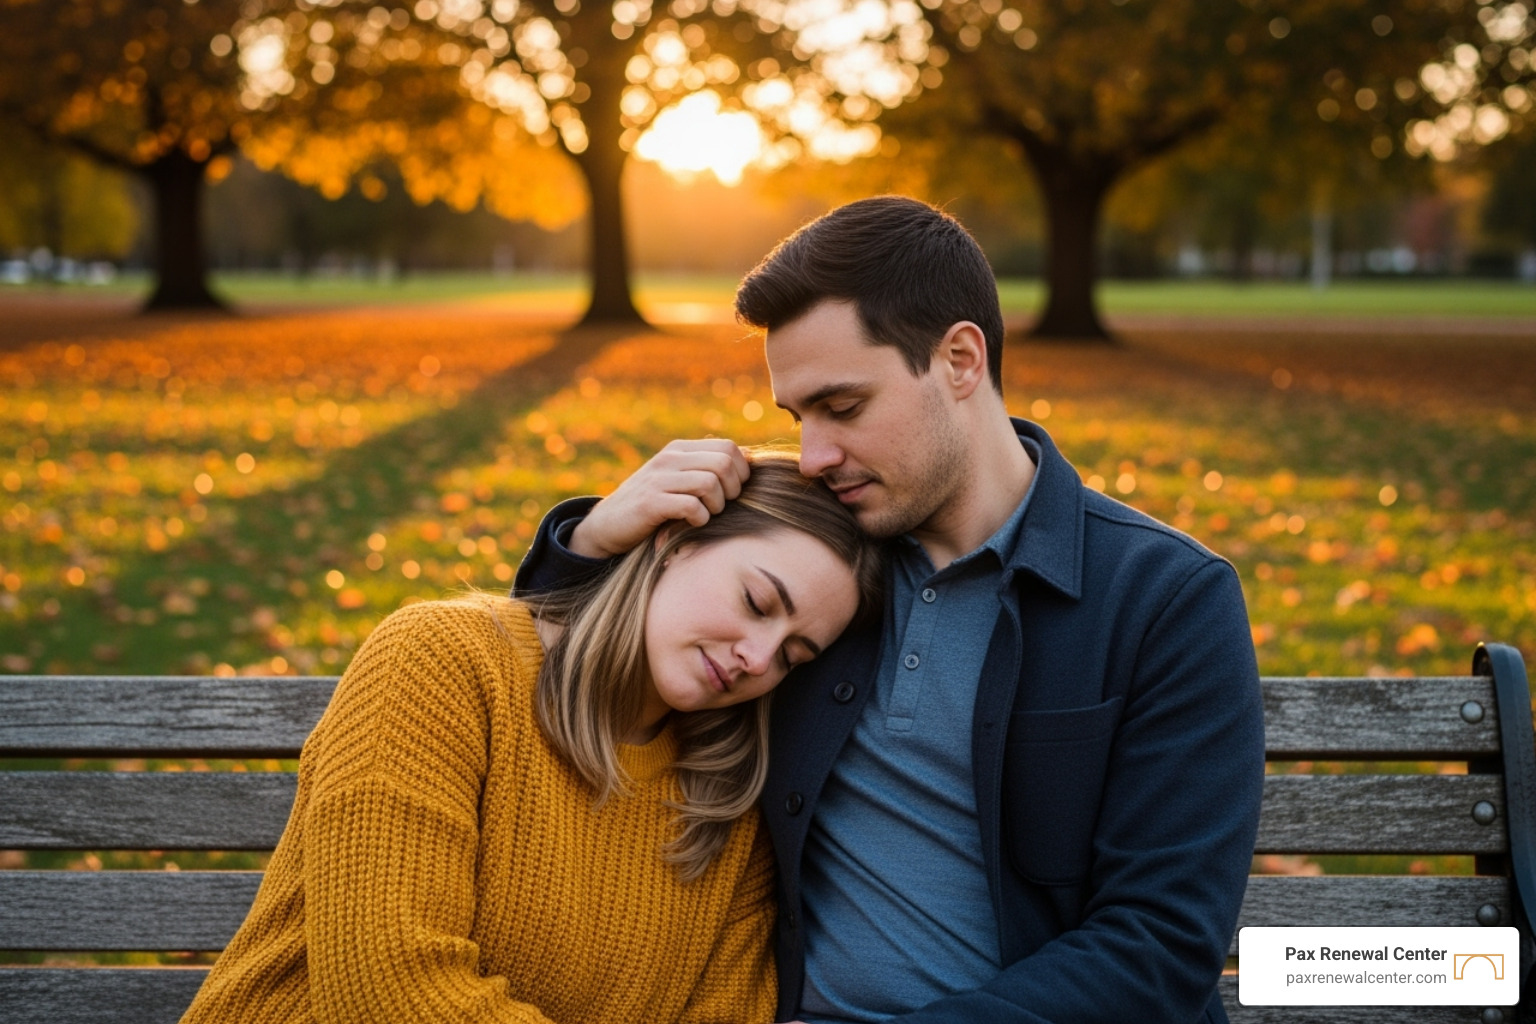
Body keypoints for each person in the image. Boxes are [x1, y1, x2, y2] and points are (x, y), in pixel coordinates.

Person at [515, 196, 1266, 1023]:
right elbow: (583, 691)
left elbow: (1160, 944)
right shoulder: (817, 581)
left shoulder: (1163, 597)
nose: (813, 455)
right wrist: (589, 541)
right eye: (797, 418)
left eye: (842, 407)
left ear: (959, 359)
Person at [179, 453, 884, 1024]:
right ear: (675, 541)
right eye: (758, 602)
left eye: (794, 655)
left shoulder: (730, 806)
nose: (757, 659)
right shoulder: (441, 663)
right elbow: (388, 990)